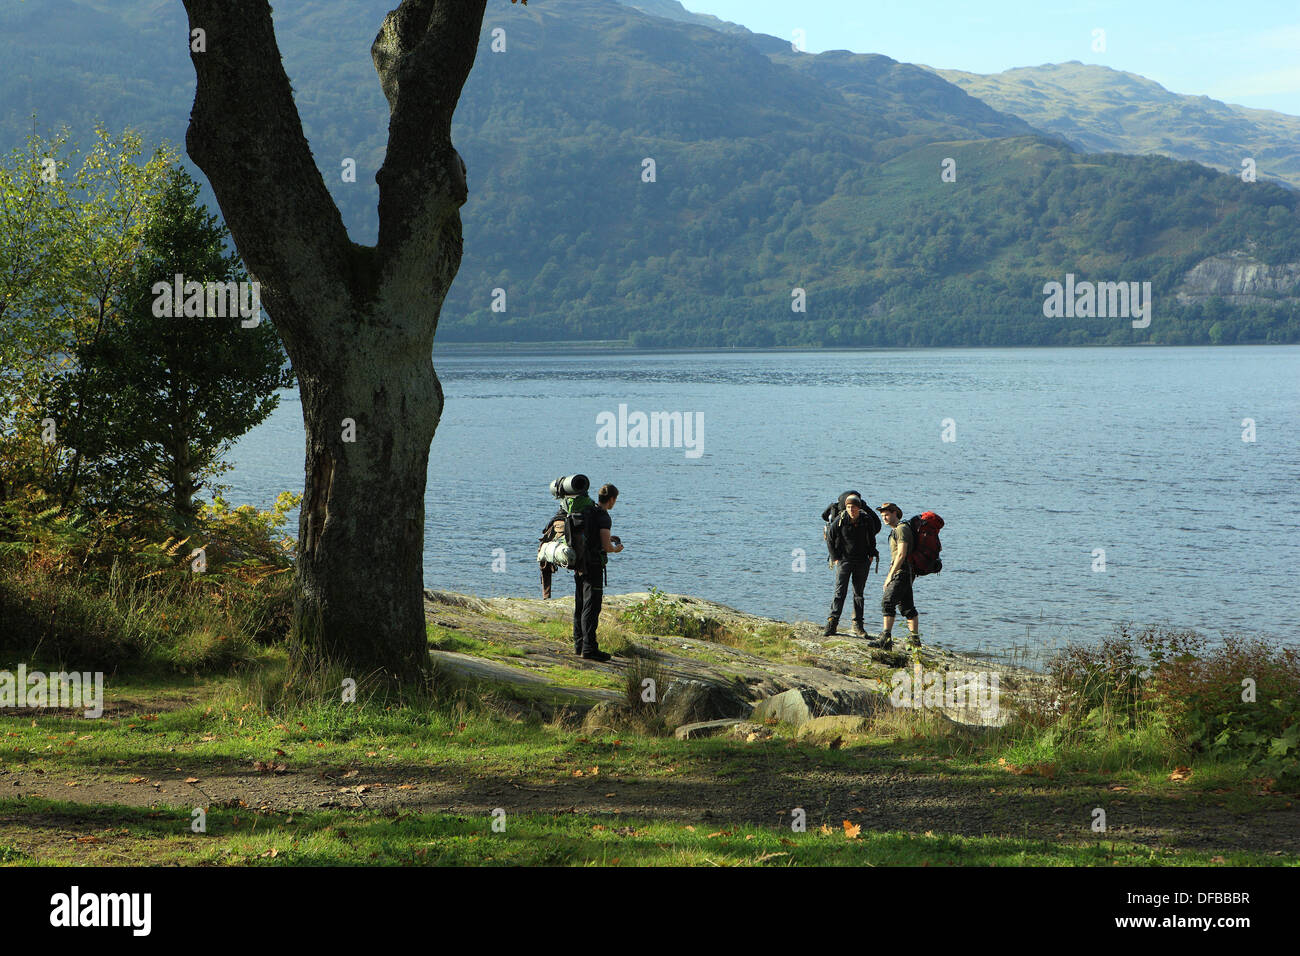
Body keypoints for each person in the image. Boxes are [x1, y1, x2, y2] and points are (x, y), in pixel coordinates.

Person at [573, 483, 623, 661]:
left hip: (580, 563)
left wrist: (607, 539)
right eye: (615, 500)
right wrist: (616, 548)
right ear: (611, 499)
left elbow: (593, 536)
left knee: (580, 604)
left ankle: (579, 645)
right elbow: (606, 547)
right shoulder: (604, 516)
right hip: (593, 566)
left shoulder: (590, 511)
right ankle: (590, 649)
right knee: (592, 607)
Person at [824, 494, 879, 637]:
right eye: (848, 507)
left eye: (853, 507)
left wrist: (871, 554)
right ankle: (832, 623)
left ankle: (858, 626)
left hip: (862, 561)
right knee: (839, 592)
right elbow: (830, 538)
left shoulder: (866, 520)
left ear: (859, 508)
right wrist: (835, 558)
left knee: (858, 594)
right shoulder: (840, 519)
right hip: (844, 560)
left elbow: (872, 538)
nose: (851, 510)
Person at [875, 502, 920, 650]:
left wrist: (890, 576)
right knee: (907, 607)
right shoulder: (898, 529)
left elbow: (901, 554)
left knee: (887, 601)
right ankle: (915, 641)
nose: (884, 517)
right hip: (906, 572)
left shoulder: (901, 529)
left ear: (896, 513)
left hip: (903, 572)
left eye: (887, 514)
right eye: (882, 515)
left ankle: (885, 639)